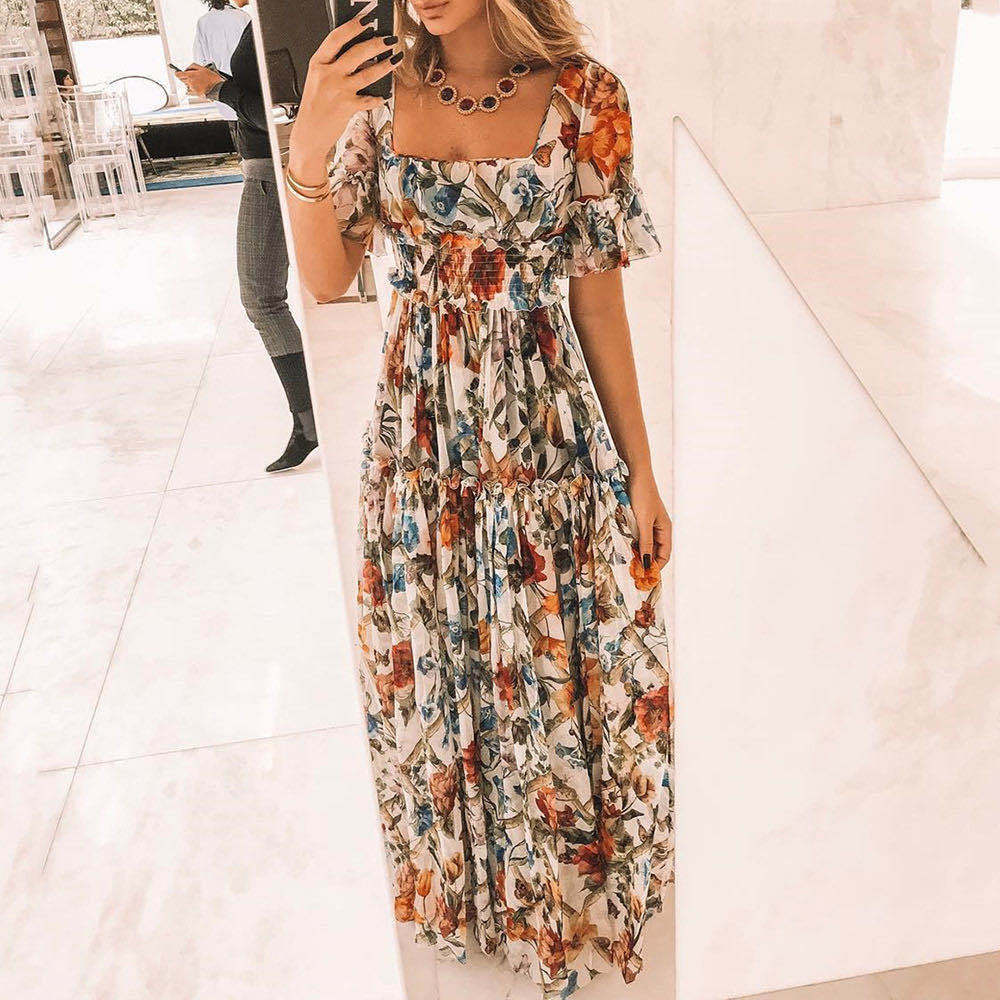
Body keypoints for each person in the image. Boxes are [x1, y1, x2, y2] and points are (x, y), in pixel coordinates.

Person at [286, 0, 673, 995]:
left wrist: (640, 468)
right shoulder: (377, 100)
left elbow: (597, 297)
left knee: (545, 654)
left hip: (541, 434)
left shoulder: (585, 98)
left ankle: (553, 888)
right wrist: (308, 143)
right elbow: (327, 280)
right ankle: (473, 890)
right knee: (440, 650)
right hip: (421, 438)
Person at [177, 11, 317, 473]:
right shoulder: (263, 18)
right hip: (268, 168)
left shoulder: (277, 18)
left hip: (271, 171)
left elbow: (278, 112)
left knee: (261, 298)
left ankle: (309, 421)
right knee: (265, 299)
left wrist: (218, 89)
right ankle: (309, 419)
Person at [191, 0, 249, 147]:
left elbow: (200, 60)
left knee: (236, 134)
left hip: (220, 85)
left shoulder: (203, 22)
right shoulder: (243, 17)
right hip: (246, 85)